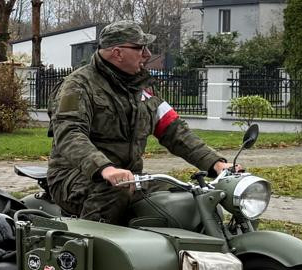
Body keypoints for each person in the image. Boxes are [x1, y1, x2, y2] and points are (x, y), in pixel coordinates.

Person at [46, 21, 230, 224]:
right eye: (140, 48)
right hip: (75, 176)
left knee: (186, 195)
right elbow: (70, 134)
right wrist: (105, 169)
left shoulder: (142, 88)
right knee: (114, 190)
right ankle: (87, 247)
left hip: (130, 177)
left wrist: (215, 163)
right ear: (118, 53)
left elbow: (175, 131)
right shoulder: (78, 85)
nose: (148, 54)